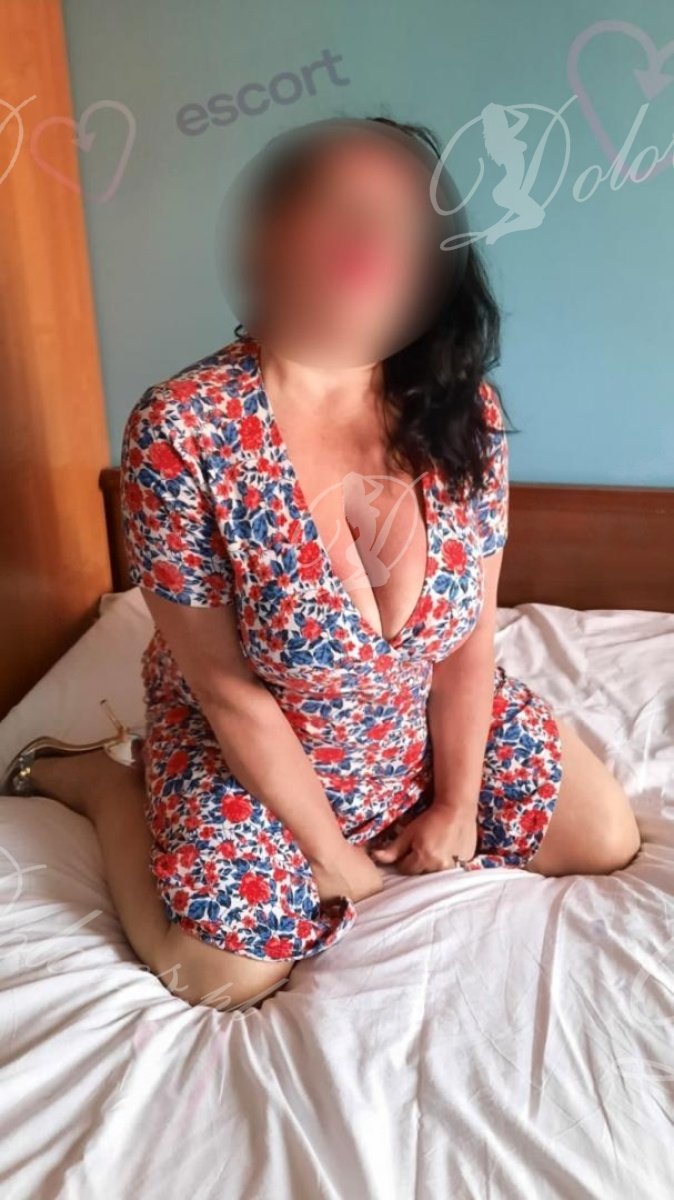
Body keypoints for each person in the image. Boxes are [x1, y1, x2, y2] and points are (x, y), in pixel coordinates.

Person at [4, 115, 641, 1013]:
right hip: (253, 746)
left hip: (413, 724)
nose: (370, 233)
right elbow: (228, 692)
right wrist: (333, 857)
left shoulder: (463, 411)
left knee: (606, 836)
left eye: (401, 215)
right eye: (336, 205)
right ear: (270, 236)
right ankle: (105, 784)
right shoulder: (182, 431)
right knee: (222, 976)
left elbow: (468, 641)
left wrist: (456, 804)